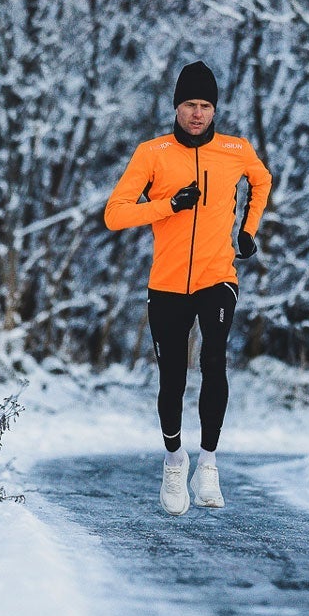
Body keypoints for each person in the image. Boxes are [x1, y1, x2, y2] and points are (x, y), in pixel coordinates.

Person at [104, 61, 272, 514]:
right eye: (189, 105)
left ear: (214, 109)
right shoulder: (152, 153)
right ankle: (175, 461)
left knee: (214, 360)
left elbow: (262, 180)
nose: (197, 114)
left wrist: (248, 230)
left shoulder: (236, 149)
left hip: (218, 276)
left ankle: (209, 464)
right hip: (167, 284)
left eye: (205, 106)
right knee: (173, 376)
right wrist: (166, 206)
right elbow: (115, 213)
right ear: (176, 107)